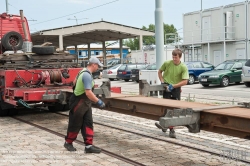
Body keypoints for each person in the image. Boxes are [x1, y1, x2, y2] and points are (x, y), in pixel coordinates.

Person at [64, 57, 105, 153]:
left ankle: (89, 146)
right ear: (93, 64)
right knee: (75, 123)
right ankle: (68, 142)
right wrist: (98, 101)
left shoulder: (82, 71)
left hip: (85, 103)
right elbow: (88, 92)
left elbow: (74, 82)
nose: (98, 68)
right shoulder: (87, 75)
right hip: (79, 102)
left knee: (88, 123)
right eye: (97, 66)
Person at [156, 48, 189, 138]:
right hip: (166, 87)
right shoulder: (167, 63)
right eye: (173, 57)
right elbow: (159, 71)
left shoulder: (183, 67)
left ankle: (166, 125)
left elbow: (185, 81)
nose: (174, 59)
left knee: (174, 110)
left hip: (176, 88)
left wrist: (174, 86)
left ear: (180, 57)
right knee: (167, 108)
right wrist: (162, 81)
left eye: (176, 57)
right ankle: (170, 129)